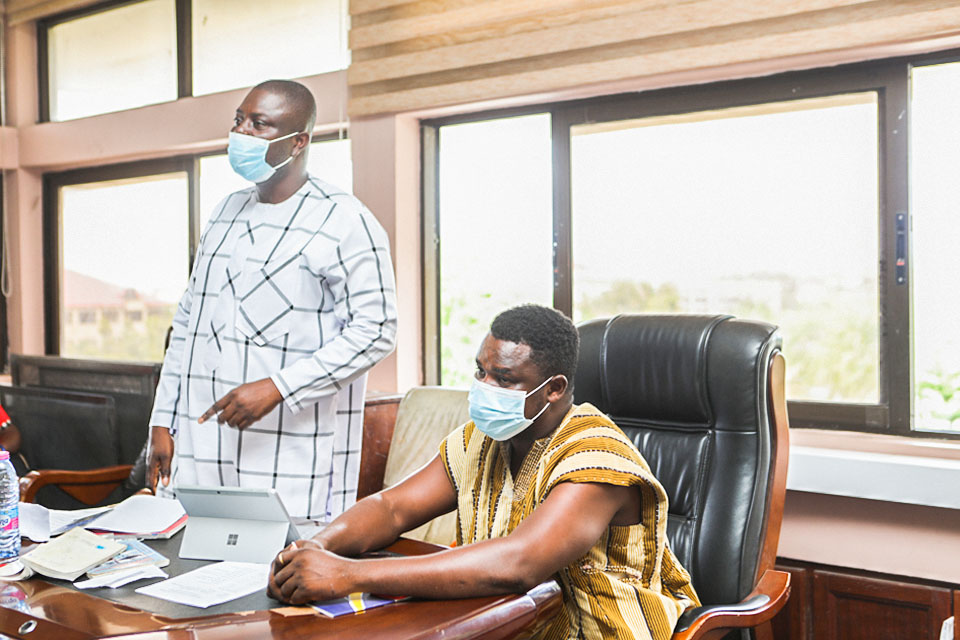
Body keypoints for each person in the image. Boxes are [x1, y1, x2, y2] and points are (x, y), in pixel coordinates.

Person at [268, 304, 698, 639]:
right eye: (481, 371)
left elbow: (519, 563)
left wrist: (346, 574)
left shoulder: (596, 458)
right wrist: (315, 548)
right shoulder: (482, 438)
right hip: (509, 624)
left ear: (554, 389)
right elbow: (392, 508)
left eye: (505, 379)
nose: (485, 387)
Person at [147, 79, 397, 520]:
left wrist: (279, 387)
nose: (241, 132)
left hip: (288, 452)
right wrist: (163, 420)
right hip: (202, 445)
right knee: (195, 552)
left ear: (298, 141)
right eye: (239, 120)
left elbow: (376, 332)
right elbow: (188, 322)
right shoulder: (225, 213)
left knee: (278, 559)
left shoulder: (345, 220)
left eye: (259, 124)